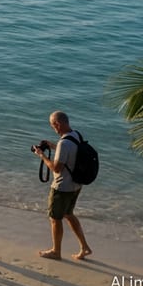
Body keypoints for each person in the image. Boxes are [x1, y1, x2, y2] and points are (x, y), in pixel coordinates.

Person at [32, 111, 93, 261]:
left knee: (55, 218)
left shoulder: (63, 143)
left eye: (53, 126)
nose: (54, 129)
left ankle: (56, 251)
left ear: (58, 124)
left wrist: (41, 155)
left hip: (62, 187)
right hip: (76, 185)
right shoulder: (76, 135)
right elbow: (71, 152)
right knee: (69, 214)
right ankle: (84, 247)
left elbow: (56, 168)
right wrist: (53, 146)